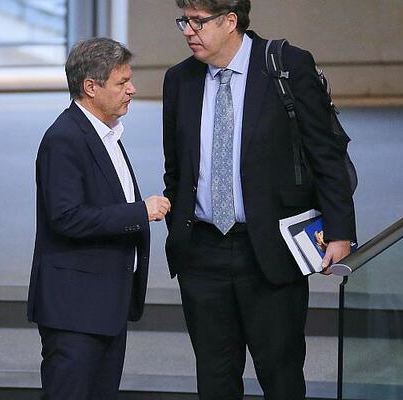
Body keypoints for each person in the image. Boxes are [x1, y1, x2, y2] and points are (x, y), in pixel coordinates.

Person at [162, 1, 356, 399]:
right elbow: (176, 169)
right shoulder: (179, 80)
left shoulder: (287, 65)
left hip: (269, 249)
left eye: (197, 21)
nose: (187, 30)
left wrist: (339, 232)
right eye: (184, 20)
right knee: (214, 379)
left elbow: (325, 154)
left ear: (231, 21)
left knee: (280, 375)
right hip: (201, 252)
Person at [27, 37, 171, 400]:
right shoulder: (64, 138)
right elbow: (67, 218)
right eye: (122, 82)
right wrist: (140, 212)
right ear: (91, 87)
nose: (132, 89)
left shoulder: (104, 134)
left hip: (106, 304)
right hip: (74, 310)